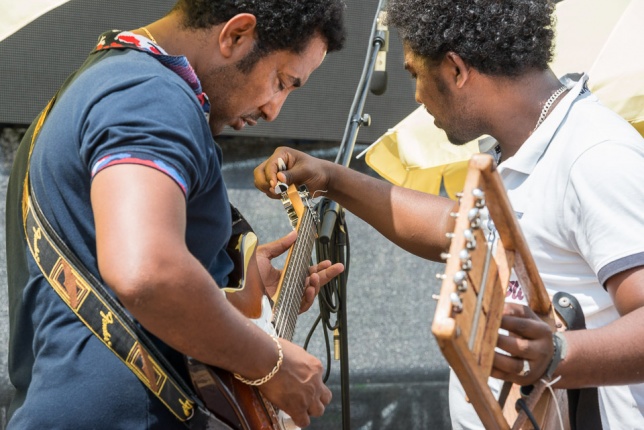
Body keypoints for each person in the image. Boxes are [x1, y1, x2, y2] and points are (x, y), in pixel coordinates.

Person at [254, 0, 644, 428]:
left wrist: (556, 354)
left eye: (416, 75)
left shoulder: (594, 155)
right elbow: (453, 229)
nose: (418, 98)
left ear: (456, 70)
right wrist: (331, 178)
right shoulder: (523, 150)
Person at [4, 1, 347, 428]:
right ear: (236, 34)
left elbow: (121, 264)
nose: (274, 109)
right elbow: (146, 271)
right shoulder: (148, 96)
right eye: (282, 81)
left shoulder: (109, 82)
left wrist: (232, 288)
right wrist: (270, 362)